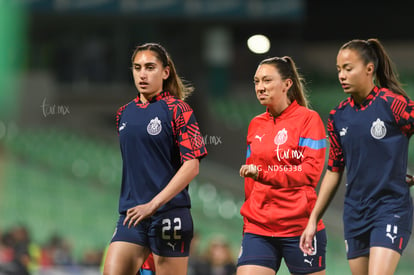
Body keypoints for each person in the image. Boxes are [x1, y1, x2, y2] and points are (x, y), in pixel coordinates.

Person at [300, 38, 414, 275]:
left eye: (348, 68)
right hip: (354, 214)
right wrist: (313, 219)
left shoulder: (393, 104)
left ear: (369, 69)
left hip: (390, 208)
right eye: (339, 70)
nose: (342, 75)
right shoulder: (337, 116)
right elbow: (333, 170)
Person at [103, 42, 208, 275]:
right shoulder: (123, 113)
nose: (142, 74)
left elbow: (192, 166)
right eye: (137, 67)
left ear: (165, 72)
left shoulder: (179, 110)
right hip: (132, 215)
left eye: (150, 67)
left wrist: (153, 204)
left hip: (170, 215)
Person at [237, 56, 327, 275]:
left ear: (287, 84)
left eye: (267, 80)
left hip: (300, 227)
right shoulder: (255, 124)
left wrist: (264, 174)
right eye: (256, 81)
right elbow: (251, 181)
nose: (260, 87)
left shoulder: (309, 120)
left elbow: (310, 173)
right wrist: (248, 221)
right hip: (258, 228)